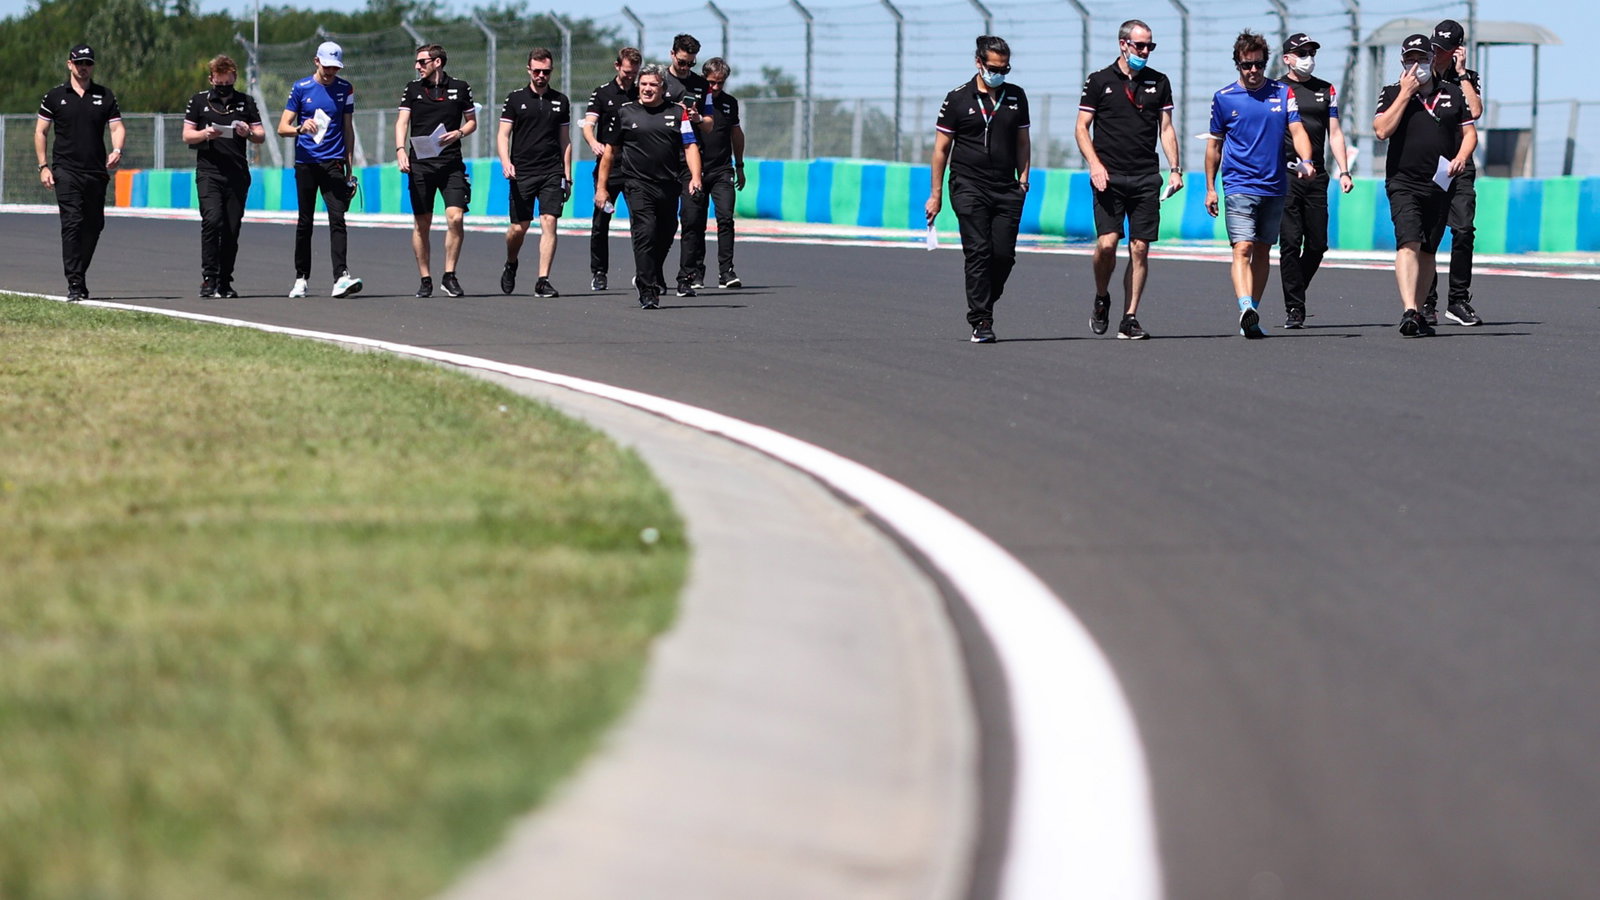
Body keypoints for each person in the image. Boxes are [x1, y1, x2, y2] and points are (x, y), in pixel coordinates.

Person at [1075, 19, 1182, 340]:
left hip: (1146, 177)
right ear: (1123, 44)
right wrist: (1095, 164)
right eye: (1140, 45)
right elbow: (1081, 128)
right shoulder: (1098, 80)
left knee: (1140, 247)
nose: (1145, 51)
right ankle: (1101, 296)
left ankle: (1129, 317)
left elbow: (1166, 128)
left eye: (1150, 46)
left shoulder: (1159, 81)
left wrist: (1175, 168)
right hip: (1108, 177)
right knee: (1107, 244)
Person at [1203, 30, 1314, 339]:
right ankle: (1244, 306)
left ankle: (1251, 311)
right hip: (1238, 184)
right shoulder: (1224, 98)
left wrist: (1307, 160)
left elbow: (1298, 129)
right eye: (1246, 65)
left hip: (1275, 186)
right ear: (1237, 64)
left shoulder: (1282, 93)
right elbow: (1214, 147)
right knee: (1243, 247)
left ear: (1266, 63)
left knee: (1264, 251)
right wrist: (1211, 188)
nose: (1253, 71)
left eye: (1258, 65)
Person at [926, 35, 1030, 344]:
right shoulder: (957, 98)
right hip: (968, 185)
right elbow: (941, 150)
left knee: (1003, 256)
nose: (999, 73)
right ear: (978, 63)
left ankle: (984, 298)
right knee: (979, 252)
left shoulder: (1016, 97)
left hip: (1007, 187)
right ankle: (981, 320)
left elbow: (1023, 142)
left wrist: (1023, 180)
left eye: (1005, 68)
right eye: (994, 67)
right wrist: (936, 194)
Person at [1373, 33, 1477, 338]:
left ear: (1433, 60)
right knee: (1409, 242)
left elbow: (1469, 133)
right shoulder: (1392, 93)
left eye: (1422, 58)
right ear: (1402, 62)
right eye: (1410, 59)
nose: (1416, 64)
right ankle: (1408, 309)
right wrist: (1406, 94)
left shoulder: (1452, 94)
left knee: (1429, 249)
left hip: (1440, 182)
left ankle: (1417, 312)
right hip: (1403, 181)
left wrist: (1460, 157)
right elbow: (1381, 131)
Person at [594, 64, 703, 309]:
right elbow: (609, 154)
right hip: (636, 184)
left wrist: (695, 176)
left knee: (666, 232)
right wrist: (602, 188)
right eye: (643, 84)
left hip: (668, 184)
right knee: (645, 231)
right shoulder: (625, 113)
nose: (647, 89)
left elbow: (690, 146)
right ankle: (648, 289)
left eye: (653, 84)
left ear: (662, 88)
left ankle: (650, 272)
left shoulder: (678, 113)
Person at [35, 44, 124, 302]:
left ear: (92, 66)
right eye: (79, 63)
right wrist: (43, 167)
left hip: (96, 170)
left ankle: (79, 272)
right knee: (72, 222)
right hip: (65, 169)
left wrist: (117, 149)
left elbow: (117, 127)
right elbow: (41, 131)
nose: (83, 67)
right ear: (69, 64)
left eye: (88, 63)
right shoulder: (54, 96)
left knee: (94, 225)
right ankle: (75, 282)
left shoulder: (105, 96)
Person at [1276, 33, 1353, 329]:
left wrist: (1343, 170)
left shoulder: (1326, 89)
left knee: (1318, 244)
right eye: (1302, 52)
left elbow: (1335, 132)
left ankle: (1295, 288)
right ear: (1287, 58)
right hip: (1286, 174)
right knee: (1291, 242)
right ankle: (1295, 306)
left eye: (1311, 51)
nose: (1308, 56)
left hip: (1317, 175)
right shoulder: (1277, 90)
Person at [277, 41, 362, 299]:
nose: (330, 72)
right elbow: (282, 127)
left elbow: (348, 128)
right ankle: (301, 278)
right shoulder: (301, 88)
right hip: (306, 163)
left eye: (335, 68)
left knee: (338, 218)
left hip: (333, 162)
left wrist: (349, 164)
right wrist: (300, 128)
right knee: (305, 221)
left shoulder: (345, 88)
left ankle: (341, 277)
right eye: (326, 66)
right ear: (316, 62)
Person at [395, 44, 476, 298]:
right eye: (417, 62)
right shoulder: (412, 88)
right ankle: (425, 278)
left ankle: (449, 275)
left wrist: (460, 132)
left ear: (437, 62)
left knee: (456, 218)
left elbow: (472, 121)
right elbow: (402, 122)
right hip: (419, 164)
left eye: (422, 62)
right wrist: (400, 149)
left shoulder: (460, 87)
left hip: (451, 163)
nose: (417, 66)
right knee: (422, 224)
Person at [182, 54, 265, 299]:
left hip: (237, 173)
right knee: (212, 221)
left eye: (228, 85)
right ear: (211, 79)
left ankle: (225, 280)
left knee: (231, 228)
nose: (224, 90)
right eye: (220, 85)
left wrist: (248, 131)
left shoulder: (246, 102)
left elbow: (260, 135)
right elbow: (187, 135)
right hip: (209, 171)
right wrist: (205, 133)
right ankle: (209, 277)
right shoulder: (199, 101)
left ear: (234, 79)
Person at [1422, 19, 1484, 326]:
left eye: (1443, 50)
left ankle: (1458, 300)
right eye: (1434, 47)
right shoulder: (1420, 74)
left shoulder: (1467, 78)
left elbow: (1475, 112)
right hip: (1428, 163)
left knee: (1463, 230)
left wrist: (1461, 75)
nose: (1437, 54)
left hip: (1460, 163)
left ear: (1457, 50)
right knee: (1427, 236)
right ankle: (1426, 300)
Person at [498, 47, 571, 298]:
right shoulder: (515, 98)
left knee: (549, 221)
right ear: (529, 69)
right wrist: (506, 162)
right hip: (522, 172)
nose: (541, 75)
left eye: (546, 71)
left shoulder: (561, 100)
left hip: (551, 170)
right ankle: (511, 262)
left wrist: (567, 175)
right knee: (519, 228)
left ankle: (543, 280)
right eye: (537, 71)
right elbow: (503, 134)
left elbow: (565, 140)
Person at [678, 57, 744, 290]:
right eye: (711, 83)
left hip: (722, 169)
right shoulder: (690, 101)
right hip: (694, 171)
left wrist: (740, 165)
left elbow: (737, 135)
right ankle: (695, 271)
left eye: (720, 83)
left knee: (725, 217)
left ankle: (726, 271)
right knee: (695, 222)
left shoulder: (730, 103)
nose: (715, 88)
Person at [583, 48, 642, 291]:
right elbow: (588, 124)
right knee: (600, 223)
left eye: (634, 73)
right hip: (608, 167)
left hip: (636, 167)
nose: (631, 77)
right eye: (627, 72)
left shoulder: (643, 92)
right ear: (617, 66)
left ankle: (645, 273)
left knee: (641, 222)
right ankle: (599, 272)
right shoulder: (602, 92)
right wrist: (593, 142)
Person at [661, 34, 715, 296]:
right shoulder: (658, 80)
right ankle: (653, 273)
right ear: (673, 55)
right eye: (682, 62)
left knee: (692, 218)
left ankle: (686, 276)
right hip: (661, 159)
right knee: (663, 222)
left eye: (691, 64)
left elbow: (710, 123)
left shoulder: (701, 85)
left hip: (690, 157)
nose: (686, 68)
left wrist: (696, 117)